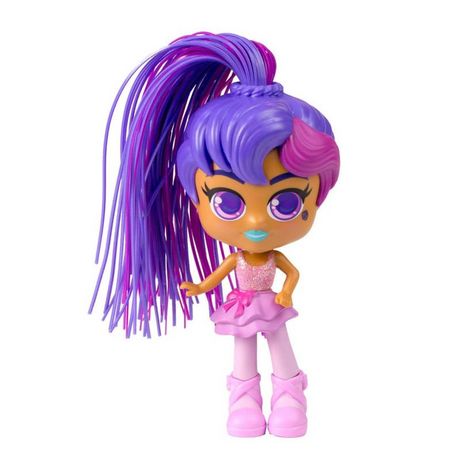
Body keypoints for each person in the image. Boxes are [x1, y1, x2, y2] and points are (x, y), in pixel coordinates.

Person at [90, 32, 340, 438]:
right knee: (243, 346)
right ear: (195, 199)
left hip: (269, 303)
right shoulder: (238, 258)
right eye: (227, 202)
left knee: (279, 341)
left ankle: (290, 396)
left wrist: (286, 292)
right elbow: (219, 275)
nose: (256, 222)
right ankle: (243, 400)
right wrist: (199, 286)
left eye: (286, 203)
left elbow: (291, 273)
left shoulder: (270, 258)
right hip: (243, 304)